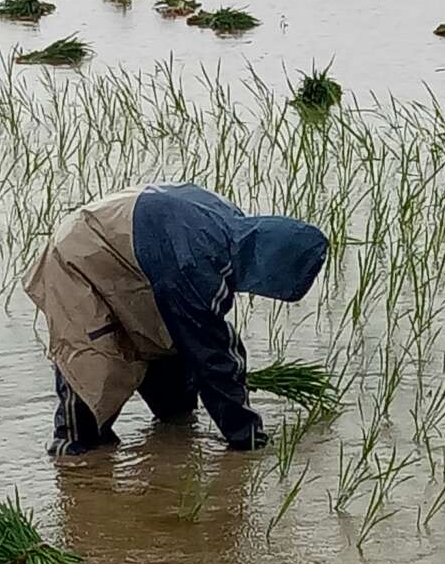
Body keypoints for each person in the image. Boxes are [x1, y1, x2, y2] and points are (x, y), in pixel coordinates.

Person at [23, 183, 329, 456]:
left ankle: (165, 449)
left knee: (173, 383)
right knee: (94, 370)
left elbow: (202, 333)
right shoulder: (196, 263)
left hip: (133, 254)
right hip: (79, 256)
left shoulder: (231, 231)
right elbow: (211, 355)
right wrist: (247, 436)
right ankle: (73, 463)